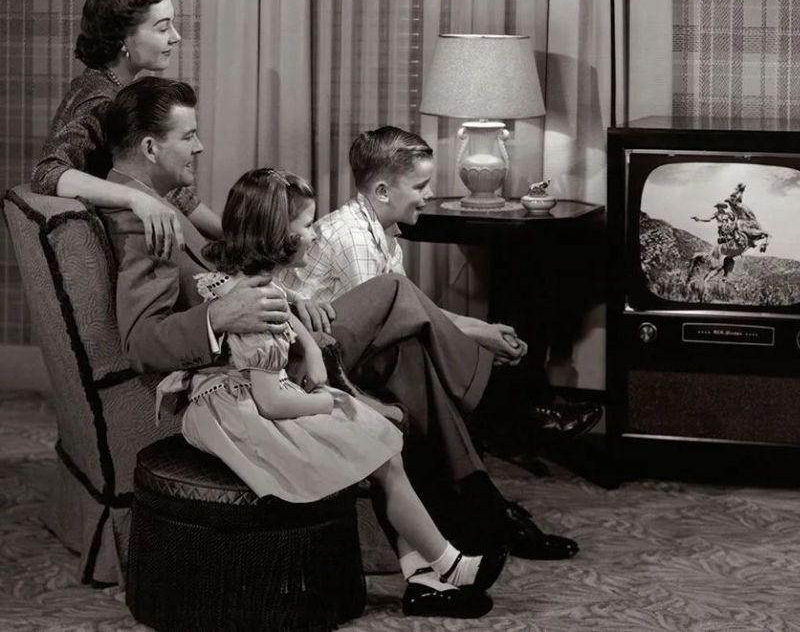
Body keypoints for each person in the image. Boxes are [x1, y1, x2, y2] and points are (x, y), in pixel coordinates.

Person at [94, 76, 516, 614]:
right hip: (254, 363)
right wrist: (222, 315)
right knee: (393, 292)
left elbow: (242, 247)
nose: (200, 146)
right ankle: (481, 449)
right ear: (151, 147)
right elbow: (140, 342)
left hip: (280, 333)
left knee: (405, 352)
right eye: (189, 135)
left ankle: (435, 560)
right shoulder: (139, 220)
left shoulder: (162, 197)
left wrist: (288, 299)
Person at [155, 168, 506, 618]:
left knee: (388, 431)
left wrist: (308, 344)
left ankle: (425, 577)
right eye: (306, 227)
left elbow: (278, 302)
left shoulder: (256, 286)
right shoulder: (255, 313)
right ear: (280, 236)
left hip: (269, 390)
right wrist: (330, 399)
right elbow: (271, 400)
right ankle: (450, 566)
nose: (314, 236)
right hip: (254, 408)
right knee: (381, 444)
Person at [277, 126, 581, 561]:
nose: (428, 194)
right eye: (419, 186)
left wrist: (482, 327)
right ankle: (509, 411)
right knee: (406, 335)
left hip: (351, 350)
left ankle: (486, 507)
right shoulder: (350, 236)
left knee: (414, 358)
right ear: (382, 189)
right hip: (309, 358)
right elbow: (395, 312)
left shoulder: (382, 234)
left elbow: (411, 313)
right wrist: (479, 334)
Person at [32, 0, 221, 259]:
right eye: (162, 28)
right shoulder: (98, 100)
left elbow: (172, 191)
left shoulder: (116, 89)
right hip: (122, 253)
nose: (176, 37)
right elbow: (47, 173)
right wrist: (136, 198)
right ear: (123, 40)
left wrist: (229, 234)